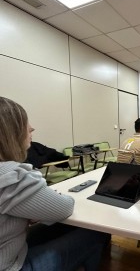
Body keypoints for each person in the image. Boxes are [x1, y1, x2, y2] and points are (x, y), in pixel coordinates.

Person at [0, 96, 109, 271]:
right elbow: (65, 207)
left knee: (60, 228)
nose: (32, 127)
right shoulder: (12, 176)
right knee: (95, 232)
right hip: (11, 266)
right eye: (24, 123)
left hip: (9, 249)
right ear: (10, 134)